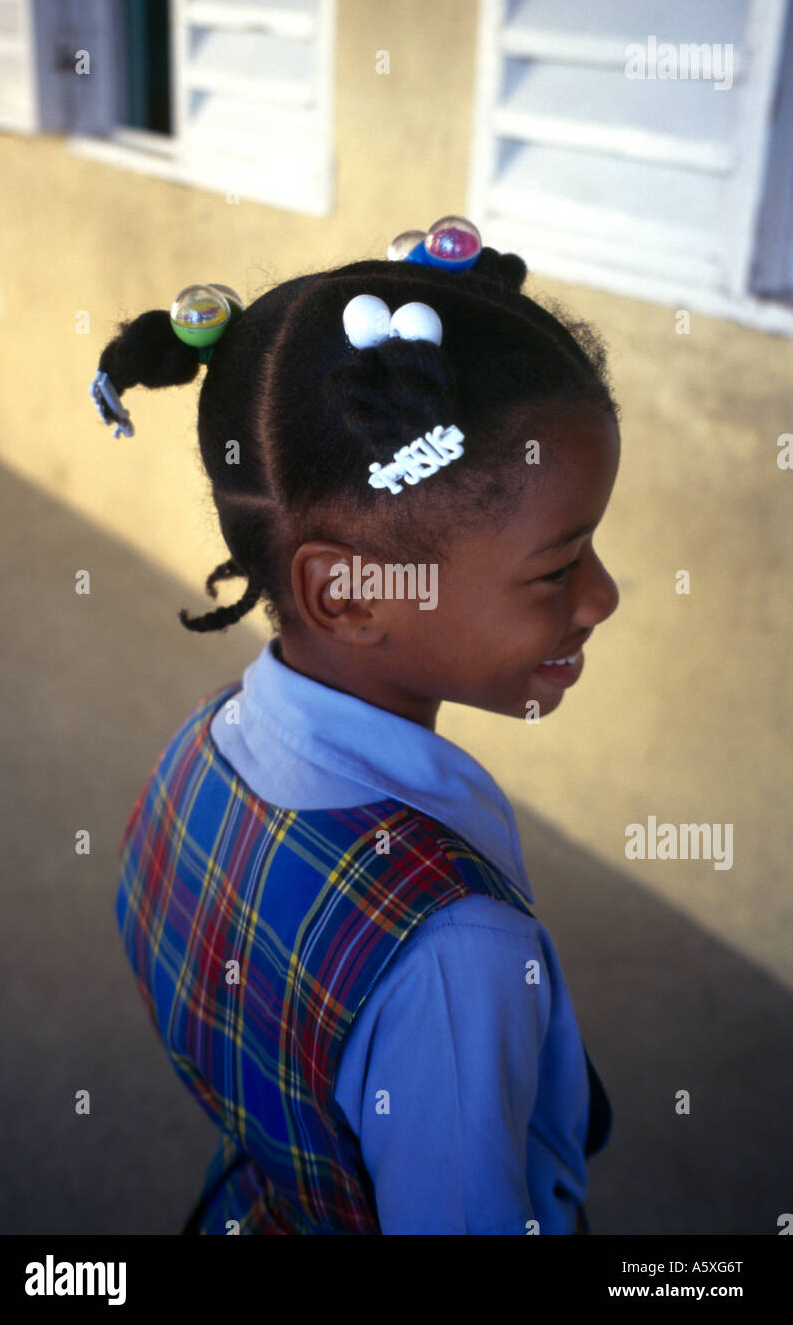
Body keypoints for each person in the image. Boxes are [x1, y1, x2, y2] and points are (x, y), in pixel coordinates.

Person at [91, 218, 619, 1235]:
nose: (600, 596)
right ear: (347, 593)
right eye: (557, 566)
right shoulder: (454, 950)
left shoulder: (198, 750)